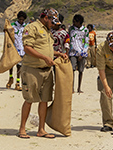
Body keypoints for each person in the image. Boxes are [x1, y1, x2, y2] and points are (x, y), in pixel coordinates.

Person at [18, 9, 63, 139]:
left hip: (46, 71)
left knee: (44, 100)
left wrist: (57, 54)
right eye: (52, 21)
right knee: (29, 99)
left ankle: (41, 129)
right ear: (45, 17)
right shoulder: (32, 28)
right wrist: (44, 58)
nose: (53, 25)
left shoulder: (48, 30)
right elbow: (27, 48)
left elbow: (45, 48)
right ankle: (22, 129)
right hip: (32, 70)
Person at [68, 14, 90, 93]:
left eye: (74, 22)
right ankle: (72, 88)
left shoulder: (85, 30)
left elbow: (87, 42)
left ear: (79, 22)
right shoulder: (71, 29)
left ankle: (79, 88)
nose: (73, 23)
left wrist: (83, 53)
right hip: (72, 53)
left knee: (81, 71)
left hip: (81, 53)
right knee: (72, 71)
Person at [7, 11, 27, 90]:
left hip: (22, 50)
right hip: (13, 48)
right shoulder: (12, 26)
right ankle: (10, 78)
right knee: (11, 65)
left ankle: (17, 83)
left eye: (23, 20)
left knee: (19, 66)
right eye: (20, 19)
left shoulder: (26, 27)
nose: (21, 21)